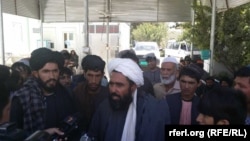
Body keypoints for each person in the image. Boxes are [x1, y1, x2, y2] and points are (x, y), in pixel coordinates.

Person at [84, 58, 170, 141]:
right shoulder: (104, 107)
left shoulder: (154, 110)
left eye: (119, 85)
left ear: (133, 86)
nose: (113, 89)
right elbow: (93, 135)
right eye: (111, 84)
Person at [9, 48, 76, 138]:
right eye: (46, 71)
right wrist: (42, 134)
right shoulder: (22, 98)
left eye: (55, 71)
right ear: (35, 74)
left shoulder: (65, 92)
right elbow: (15, 135)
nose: (52, 76)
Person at [73, 55, 109, 135]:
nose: (93, 80)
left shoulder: (108, 96)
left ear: (102, 75)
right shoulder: (77, 92)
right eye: (90, 75)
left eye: (97, 76)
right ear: (85, 74)